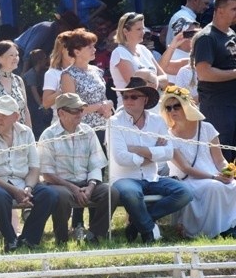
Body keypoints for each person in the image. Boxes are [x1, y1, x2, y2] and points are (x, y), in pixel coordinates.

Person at [107, 77, 193, 243]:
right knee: (131, 194)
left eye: (133, 97)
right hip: (124, 179)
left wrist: (139, 150)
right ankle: (148, 232)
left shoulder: (157, 121)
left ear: (145, 99)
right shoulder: (114, 122)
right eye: (125, 97)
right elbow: (121, 157)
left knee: (185, 193)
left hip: (152, 177)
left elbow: (169, 153)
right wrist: (152, 154)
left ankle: (137, 223)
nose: (128, 100)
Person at [0, 95, 58, 251]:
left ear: (16, 117)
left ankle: (28, 239)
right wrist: (14, 190)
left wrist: (28, 188)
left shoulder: (25, 132)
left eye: (4, 115)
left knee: (49, 195)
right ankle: (10, 239)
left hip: (23, 182)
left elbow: (34, 167)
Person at [39, 93, 118, 245]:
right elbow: (47, 174)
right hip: (60, 184)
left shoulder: (88, 131)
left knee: (111, 193)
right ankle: (61, 239)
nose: (80, 114)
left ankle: (94, 235)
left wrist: (90, 186)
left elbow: (96, 165)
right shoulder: (48, 135)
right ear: (61, 113)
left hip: (86, 182)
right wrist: (73, 188)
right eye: (75, 110)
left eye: (81, 109)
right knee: (61, 196)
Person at [160, 86, 236, 238]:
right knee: (213, 187)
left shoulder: (207, 128)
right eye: (168, 108)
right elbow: (185, 168)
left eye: (177, 106)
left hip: (213, 174)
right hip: (187, 179)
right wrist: (214, 177)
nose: (172, 111)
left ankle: (230, 226)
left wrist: (228, 172)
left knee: (232, 185)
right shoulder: (168, 136)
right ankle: (214, 231)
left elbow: (219, 159)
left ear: (187, 106)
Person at [193, 0, 236, 161]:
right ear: (220, 10)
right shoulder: (207, 37)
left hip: (232, 104)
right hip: (217, 107)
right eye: (234, 9)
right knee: (222, 158)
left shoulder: (231, 34)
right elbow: (204, 73)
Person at [60, 28, 114, 145]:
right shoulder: (68, 75)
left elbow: (103, 98)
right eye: (89, 47)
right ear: (77, 52)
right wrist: (99, 106)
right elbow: (72, 108)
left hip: (105, 127)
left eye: (93, 46)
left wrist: (108, 105)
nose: (94, 49)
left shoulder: (97, 71)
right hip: (84, 131)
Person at [110, 12, 168, 105]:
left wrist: (152, 80)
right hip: (131, 110)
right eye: (138, 29)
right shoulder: (119, 53)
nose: (143, 32)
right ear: (125, 31)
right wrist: (153, 80)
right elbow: (134, 86)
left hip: (154, 108)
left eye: (143, 28)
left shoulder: (144, 49)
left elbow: (165, 79)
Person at [14, 11, 81, 60]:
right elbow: (29, 51)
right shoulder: (46, 28)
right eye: (68, 29)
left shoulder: (59, 36)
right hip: (19, 53)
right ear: (61, 24)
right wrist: (24, 71)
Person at [42, 32, 73, 124]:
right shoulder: (52, 73)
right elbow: (46, 103)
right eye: (71, 48)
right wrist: (63, 89)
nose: (75, 51)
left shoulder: (85, 70)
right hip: (62, 123)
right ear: (62, 50)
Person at [23, 49, 51, 138]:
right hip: (31, 104)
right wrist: (42, 107)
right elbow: (34, 93)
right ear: (40, 61)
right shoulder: (31, 74)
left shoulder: (41, 72)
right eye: (45, 58)